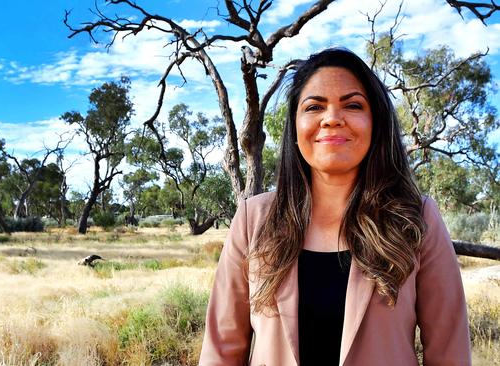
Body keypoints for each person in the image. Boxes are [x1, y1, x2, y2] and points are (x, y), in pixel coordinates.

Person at [199, 48, 471, 366]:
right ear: (295, 128)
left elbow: (449, 353)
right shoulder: (253, 219)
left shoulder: (417, 219)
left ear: (375, 123)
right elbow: (222, 351)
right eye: (314, 106)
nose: (331, 118)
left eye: (352, 105)